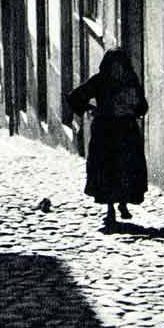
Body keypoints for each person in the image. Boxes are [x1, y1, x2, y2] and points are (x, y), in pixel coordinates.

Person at [67, 49, 148, 232]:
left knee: (127, 169)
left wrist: (135, 109)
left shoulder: (131, 80)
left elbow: (143, 105)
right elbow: (74, 97)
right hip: (106, 132)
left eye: (120, 65)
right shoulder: (99, 81)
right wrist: (90, 108)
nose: (117, 69)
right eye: (114, 65)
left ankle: (124, 204)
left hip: (127, 132)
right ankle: (110, 208)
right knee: (108, 170)